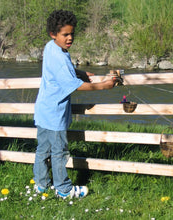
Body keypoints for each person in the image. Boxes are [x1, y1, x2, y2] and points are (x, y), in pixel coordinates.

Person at [33, 9, 116, 200]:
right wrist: (103, 85)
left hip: (43, 110)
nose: (70, 38)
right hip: (54, 115)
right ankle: (63, 189)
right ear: (53, 34)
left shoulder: (51, 47)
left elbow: (65, 72)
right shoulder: (61, 58)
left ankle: (41, 184)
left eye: (72, 33)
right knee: (59, 152)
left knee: (42, 150)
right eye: (65, 34)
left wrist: (79, 72)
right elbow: (75, 86)